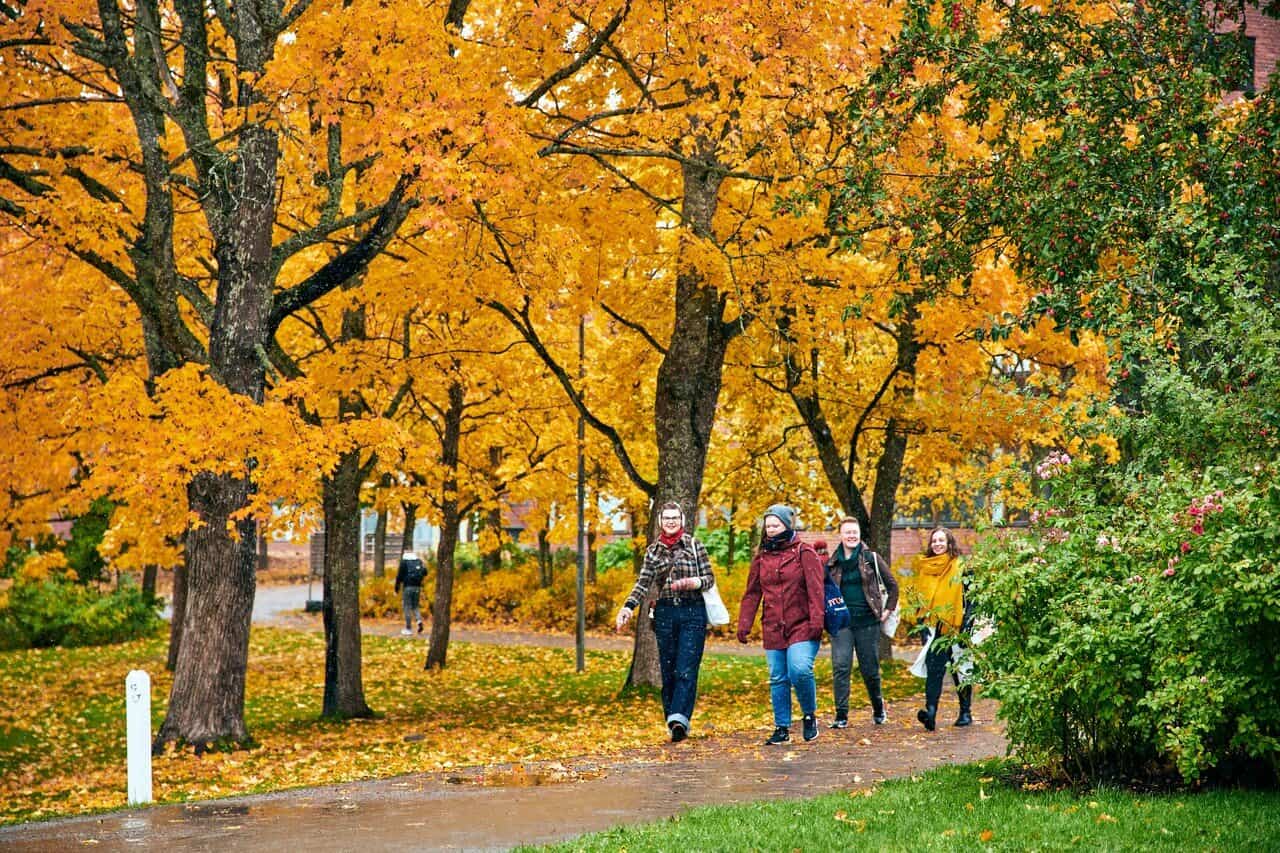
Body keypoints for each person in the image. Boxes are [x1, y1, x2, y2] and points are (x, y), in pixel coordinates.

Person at [615, 502, 716, 743]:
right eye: (667, 518)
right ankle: (672, 718)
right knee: (669, 669)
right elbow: (643, 582)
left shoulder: (694, 546)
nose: (671, 521)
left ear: (682, 520)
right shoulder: (653, 551)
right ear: (660, 522)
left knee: (686, 668)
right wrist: (628, 607)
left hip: (693, 612)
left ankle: (680, 719)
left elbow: (709, 578)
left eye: (675, 517)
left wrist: (694, 583)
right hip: (665, 614)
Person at [737, 504, 826, 745]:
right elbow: (752, 593)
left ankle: (809, 715)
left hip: (803, 625)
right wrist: (744, 623)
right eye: (768, 525)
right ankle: (782, 727)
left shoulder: (804, 552)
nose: (772, 529)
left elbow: (816, 591)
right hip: (773, 625)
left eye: (776, 524)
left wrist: (817, 622)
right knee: (778, 677)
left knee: (799, 669)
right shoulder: (762, 557)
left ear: (787, 525)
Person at [825, 517, 898, 728]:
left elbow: (893, 586)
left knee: (870, 669)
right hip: (842, 624)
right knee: (840, 666)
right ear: (840, 535)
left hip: (867, 623)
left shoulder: (870, 558)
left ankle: (878, 709)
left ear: (859, 534)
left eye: (855, 532)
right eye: (847, 532)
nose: (852, 536)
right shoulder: (832, 563)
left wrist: (887, 611)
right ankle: (841, 716)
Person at [912, 527, 972, 730]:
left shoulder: (961, 565)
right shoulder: (925, 568)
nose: (937, 544)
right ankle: (930, 713)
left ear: (949, 543)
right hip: (933, 627)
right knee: (934, 670)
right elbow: (920, 600)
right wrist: (922, 625)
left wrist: (967, 623)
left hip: (956, 625)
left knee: (959, 669)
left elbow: (972, 596)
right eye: (934, 541)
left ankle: (965, 711)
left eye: (941, 540)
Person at [395, 551, 427, 635]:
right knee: (415, 606)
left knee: (407, 607)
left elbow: (399, 576)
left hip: (407, 587)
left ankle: (408, 628)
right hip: (417, 587)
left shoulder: (404, 562)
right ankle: (419, 620)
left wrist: (396, 588)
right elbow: (425, 572)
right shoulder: (419, 561)